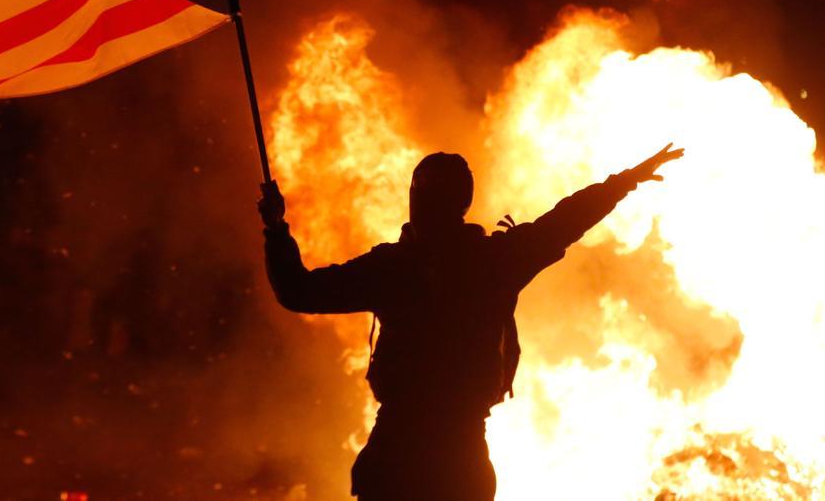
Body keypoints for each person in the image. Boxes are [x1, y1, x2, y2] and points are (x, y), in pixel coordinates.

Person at [258, 143, 684, 501]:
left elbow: (298, 291)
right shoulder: (496, 260)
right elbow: (565, 222)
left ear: (417, 198)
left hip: (397, 455)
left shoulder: (393, 268)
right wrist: (625, 181)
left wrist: (277, 229)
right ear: (462, 201)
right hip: (461, 459)